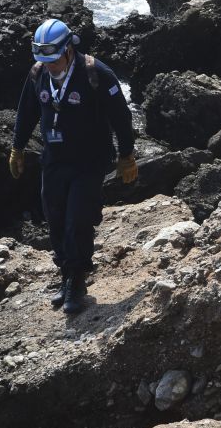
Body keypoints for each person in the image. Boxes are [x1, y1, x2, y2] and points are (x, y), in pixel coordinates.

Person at [8, 18, 138, 314]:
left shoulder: (96, 74)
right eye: (45, 61)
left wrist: (126, 155)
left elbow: (121, 117)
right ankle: (66, 274)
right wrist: (17, 147)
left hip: (89, 161)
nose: (51, 66)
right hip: (54, 159)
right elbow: (26, 111)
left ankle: (77, 282)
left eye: (55, 60)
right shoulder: (37, 74)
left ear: (69, 49)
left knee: (78, 219)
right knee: (54, 218)